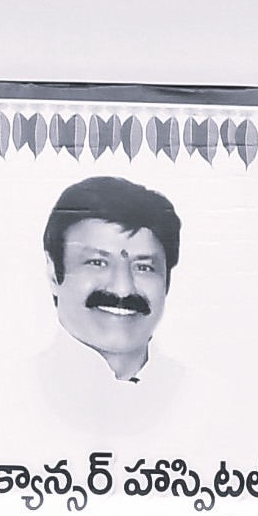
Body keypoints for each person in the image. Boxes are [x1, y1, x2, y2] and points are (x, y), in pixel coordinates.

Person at [20, 175, 195, 428]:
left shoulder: (214, 408)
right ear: (53, 272)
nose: (122, 289)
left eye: (143, 267)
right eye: (97, 263)